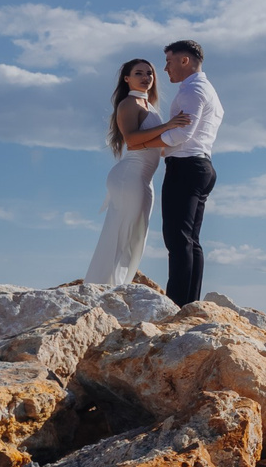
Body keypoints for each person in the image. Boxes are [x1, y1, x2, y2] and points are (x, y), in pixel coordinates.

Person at [81, 57, 178, 284]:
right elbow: (132, 141)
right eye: (139, 74)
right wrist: (168, 126)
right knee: (120, 234)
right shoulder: (128, 104)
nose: (146, 78)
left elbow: (159, 148)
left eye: (149, 74)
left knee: (136, 237)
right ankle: (102, 286)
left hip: (144, 179)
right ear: (127, 79)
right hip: (130, 176)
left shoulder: (149, 107)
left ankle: (118, 285)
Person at [157, 39, 224, 305]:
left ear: (184, 61)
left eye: (169, 61)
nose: (165, 69)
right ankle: (189, 304)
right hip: (200, 165)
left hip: (186, 166)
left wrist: (143, 141)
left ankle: (177, 305)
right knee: (190, 240)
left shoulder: (192, 90)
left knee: (178, 239)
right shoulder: (206, 89)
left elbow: (182, 134)